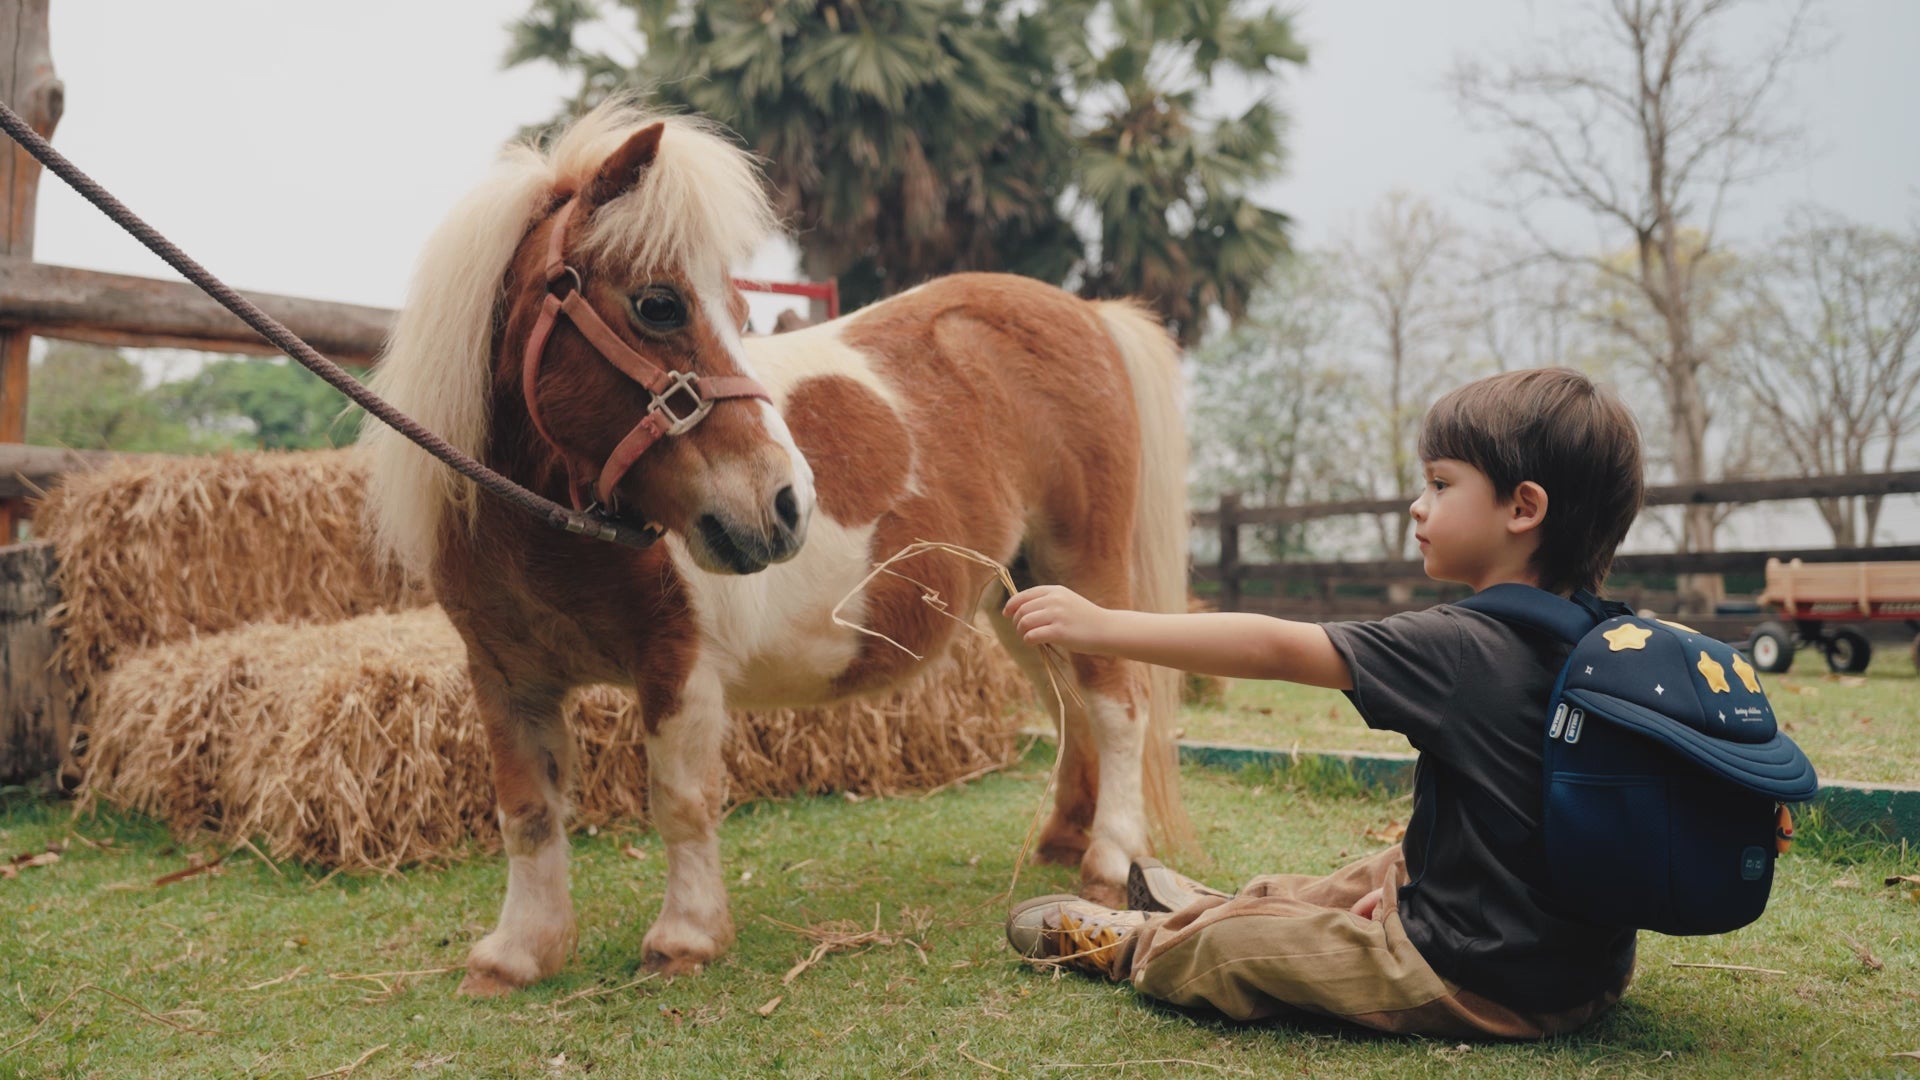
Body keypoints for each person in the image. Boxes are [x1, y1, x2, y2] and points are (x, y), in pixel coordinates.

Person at [1001, 367, 1646, 1039]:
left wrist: (1102, 625)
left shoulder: (1463, 646)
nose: (1418, 506)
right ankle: (1216, 905)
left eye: (1441, 484)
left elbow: (1276, 649)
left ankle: (1140, 943)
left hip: (1467, 980)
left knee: (1236, 951)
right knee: (1375, 872)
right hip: (1580, 971)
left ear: (1523, 508)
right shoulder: (1608, 637)